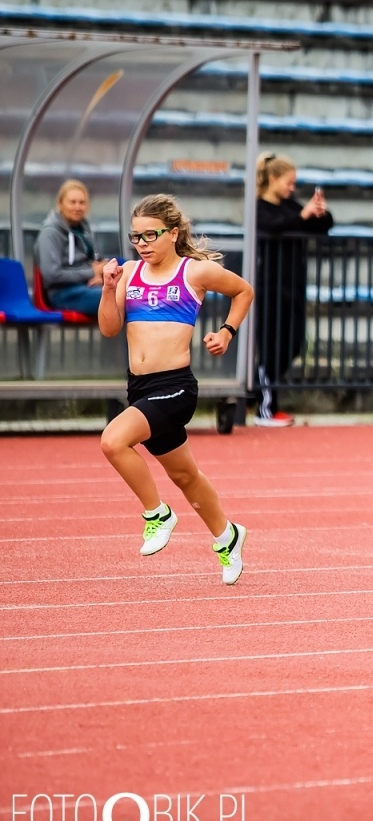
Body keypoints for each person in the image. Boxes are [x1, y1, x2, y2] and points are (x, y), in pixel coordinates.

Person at [98, 194, 254, 585]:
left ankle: (157, 514)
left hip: (175, 388)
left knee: (113, 441)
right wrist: (107, 289)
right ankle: (227, 535)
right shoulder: (130, 273)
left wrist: (227, 332)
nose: (143, 243)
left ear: (173, 233)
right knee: (186, 476)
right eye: (136, 236)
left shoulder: (193, 272)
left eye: (151, 234)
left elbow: (243, 291)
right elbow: (109, 328)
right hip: (140, 388)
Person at [254, 152, 333, 427]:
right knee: (271, 346)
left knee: (295, 343)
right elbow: (272, 227)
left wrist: (320, 212)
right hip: (270, 287)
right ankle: (266, 407)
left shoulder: (290, 206)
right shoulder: (259, 207)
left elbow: (320, 227)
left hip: (293, 285)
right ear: (273, 179)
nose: (292, 188)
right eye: (289, 182)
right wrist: (302, 215)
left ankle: (260, 390)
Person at [36, 180, 109, 316]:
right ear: (60, 204)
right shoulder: (50, 233)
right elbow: (52, 275)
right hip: (63, 293)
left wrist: (101, 274)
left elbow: (96, 259)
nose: (77, 207)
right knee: (113, 297)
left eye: (82, 203)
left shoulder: (84, 229)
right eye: (72, 202)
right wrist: (91, 272)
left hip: (87, 286)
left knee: (123, 266)